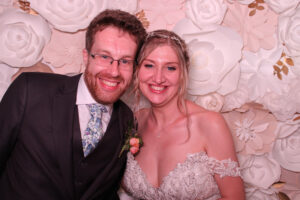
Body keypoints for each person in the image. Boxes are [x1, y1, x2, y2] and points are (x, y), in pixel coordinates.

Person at [0, 9, 146, 200]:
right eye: (104, 56)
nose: (114, 71)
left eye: (125, 61)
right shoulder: (30, 90)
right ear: (86, 56)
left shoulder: (127, 119)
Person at [122, 30, 245, 200]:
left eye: (170, 68)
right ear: (137, 70)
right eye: (149, 65)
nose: (158, 78)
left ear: (183, 73)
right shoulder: (133, 121)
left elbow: (235, 197)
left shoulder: (210, 124)